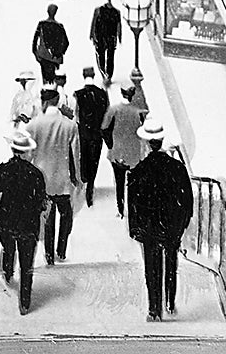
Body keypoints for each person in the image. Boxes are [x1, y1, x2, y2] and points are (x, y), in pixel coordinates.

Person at [128, 118, 194, 320]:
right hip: (172, 225)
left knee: (151, 267)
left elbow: (133, 205)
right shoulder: (177, 168)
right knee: (171, 262)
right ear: (162, 139)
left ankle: (153, 308)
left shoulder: (138, 171)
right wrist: (182, 224)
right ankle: (170, 302)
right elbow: (187, 200)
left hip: (148, 227)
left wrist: (135, 229)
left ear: (147, 143)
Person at [0, 129, 47, 315]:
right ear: (26, 152)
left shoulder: (3, 170)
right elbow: (42, 202)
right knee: (27, 265)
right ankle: (25, 303)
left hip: (6, 223)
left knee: (9, 248)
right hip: (28, 225)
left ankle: (8, 272)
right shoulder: (36, 174)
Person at [26, 87, 79, 264]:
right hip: (62, 176)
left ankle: (49, 255)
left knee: (48, 217)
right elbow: (74, 152)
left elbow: (29, 153)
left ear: (45, 102)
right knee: (66, 214)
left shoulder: (33, 125)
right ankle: (61, 250)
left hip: (42, 177)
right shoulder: (69, 125)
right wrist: (75, 175)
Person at [103, 83, 147, 216]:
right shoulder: (138, 112)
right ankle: (132, 209)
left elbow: (104, 129)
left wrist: (110, 144)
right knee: (133, 184)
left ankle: (120, 209)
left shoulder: (113, 109)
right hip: (134, 153)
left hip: (117, 152)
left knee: (119, 182)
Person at [74, 67, 110, 207]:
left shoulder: (78, 94)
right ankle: (91, 185)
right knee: (94, 160)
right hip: (97, 134)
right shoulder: (102, 94)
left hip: (84, 133)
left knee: (84, 157)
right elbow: (106, 114)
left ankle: (85, 180)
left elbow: (77, 116)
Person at [90, 0, 122, 84]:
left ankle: (104, 74)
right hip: (111, 37)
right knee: (110, 57)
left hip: (101, 36)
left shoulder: (98, 10)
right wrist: (119, 37)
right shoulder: (116, 12)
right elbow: (118, 26)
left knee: (101, 56)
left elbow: (94, 23)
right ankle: (108, 75)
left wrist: (92, 34)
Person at [32, 3, 70, 84]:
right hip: (54, 58)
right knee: (53, 80)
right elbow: (66, 43)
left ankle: (48, 93)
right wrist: (58, 53)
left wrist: (35, 53)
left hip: (43, 55)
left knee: (46, 80)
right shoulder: (59, 27)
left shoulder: (42, 24)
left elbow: (35, 40)